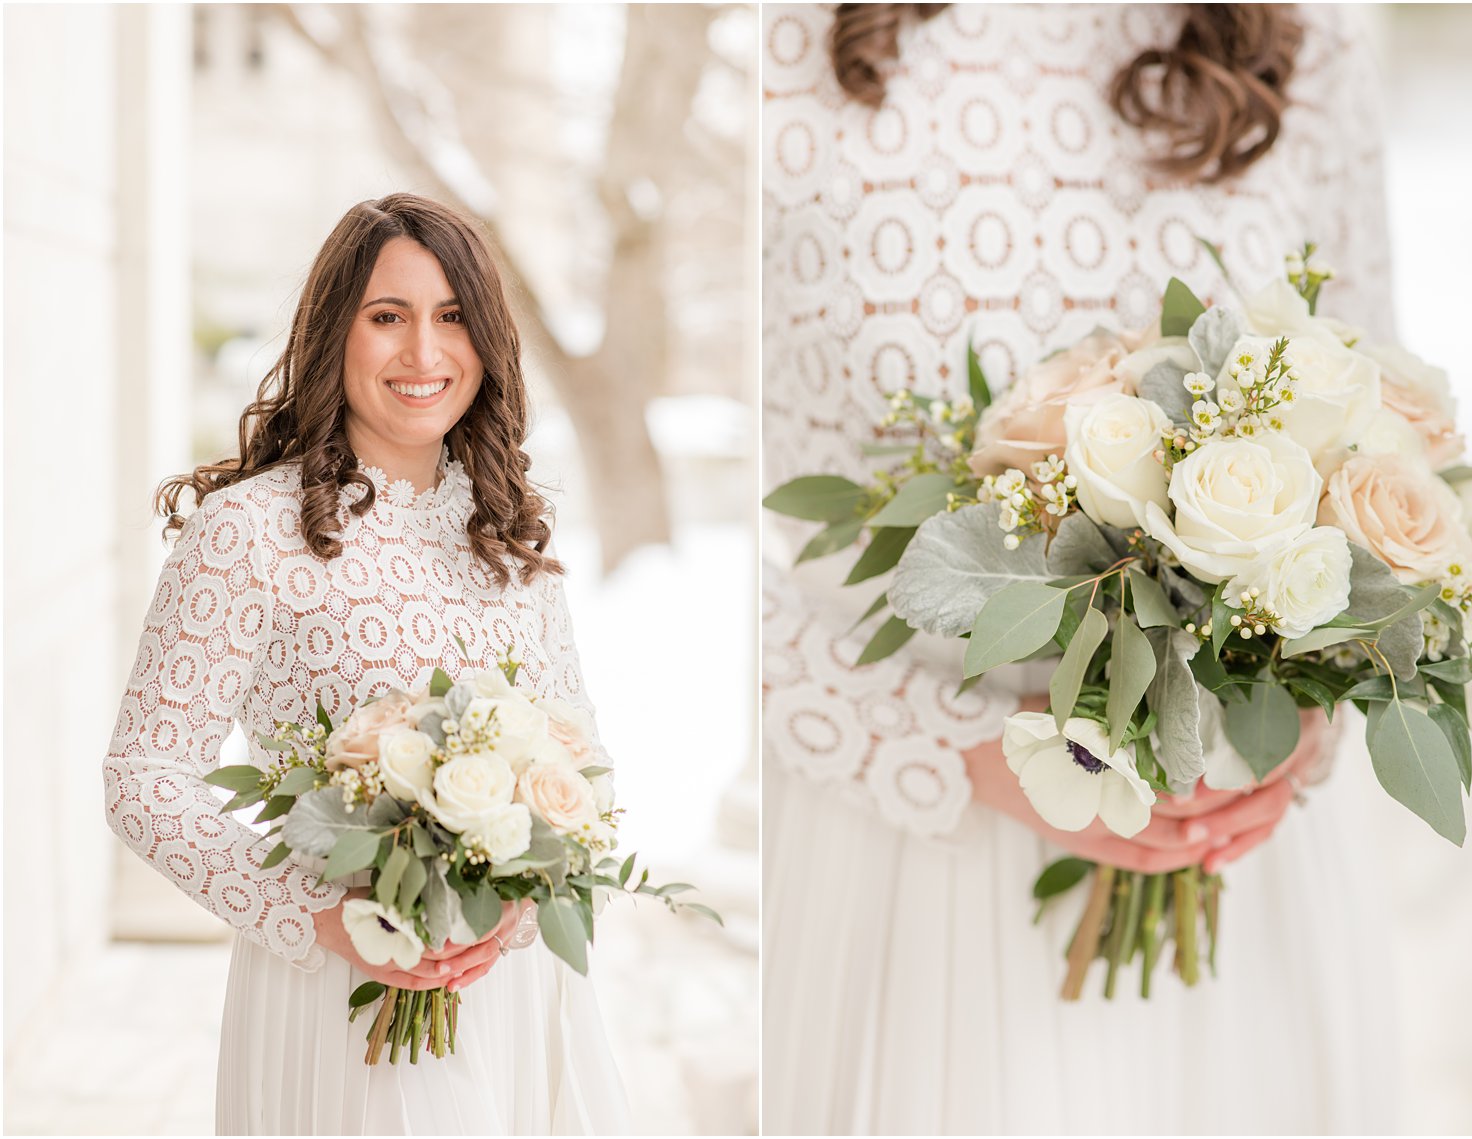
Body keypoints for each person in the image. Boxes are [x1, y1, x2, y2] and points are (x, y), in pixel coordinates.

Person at [762, 5, 1398, 1133]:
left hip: (1238, 854)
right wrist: (951, 751)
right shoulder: (773, 43)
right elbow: (721, 553)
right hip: (915, 865)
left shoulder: (1306, 32)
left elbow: (1376, 428)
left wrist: (1308, 702)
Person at [103, 193, 632, 1135]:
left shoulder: (508, 527)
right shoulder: (247, 533)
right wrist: (317, 914)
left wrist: (517, 896)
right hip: (334, 991)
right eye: (388, 317)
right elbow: (143, 777)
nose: (424, 355)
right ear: (332, 333)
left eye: (453, 317)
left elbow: (582, 762)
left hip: (514, 993)